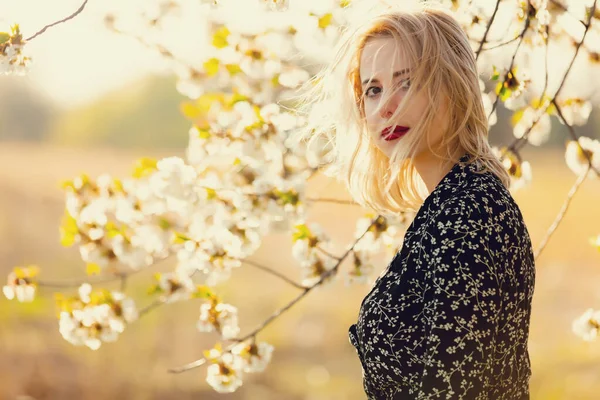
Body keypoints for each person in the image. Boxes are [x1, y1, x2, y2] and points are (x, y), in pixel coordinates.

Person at [292, 1, 536, 399]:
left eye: (407, 82)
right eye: (373, 89)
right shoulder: (451, 204)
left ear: (453, 86)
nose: (386, 105)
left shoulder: (469, 209)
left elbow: (455, 386)